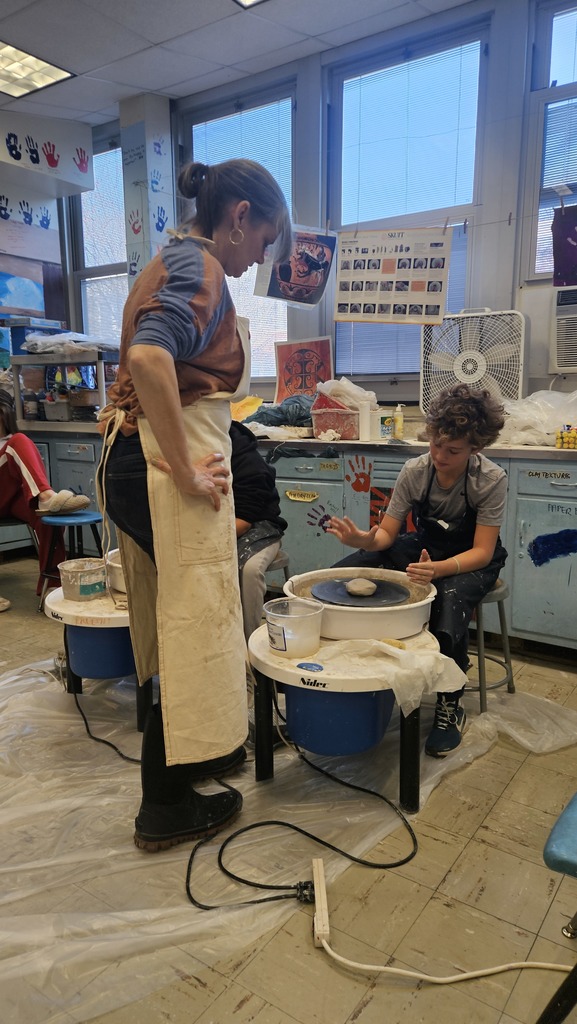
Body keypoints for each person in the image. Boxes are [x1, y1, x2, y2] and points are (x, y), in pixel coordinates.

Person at [97, 158, 292, 852]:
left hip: (132, 460)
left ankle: (187, 767)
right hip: (156, 468)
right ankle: (164, 805)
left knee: (167, 625)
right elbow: (151, 362)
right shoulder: (202, 268)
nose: (259, 258)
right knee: (185, 630)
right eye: (264, 240)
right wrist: (182, 469)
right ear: (239, 216)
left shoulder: (169, 259)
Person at [327, 384, 508, 758]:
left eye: (453, 450)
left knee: (449, 602)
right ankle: (358, 678)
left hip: (469, 558)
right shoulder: (415, 471)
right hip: (425, 546)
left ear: (476, 449)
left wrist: (439, 571)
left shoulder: (489, 481)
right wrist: (362, 541)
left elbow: (483, 550)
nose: (440, 455)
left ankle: (449, 703)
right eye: (435, 444)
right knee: (345, 575)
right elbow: (387, 537)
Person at [0, 389, 90, 609]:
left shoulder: (10, 440)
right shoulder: (13, 445)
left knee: (47, 517)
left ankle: (52, 584)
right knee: (18, 442)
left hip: (10, 497)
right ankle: (46, 495)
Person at [230, 419, 287, 641]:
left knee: (249, 568)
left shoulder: (246, 460)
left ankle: (249, 644)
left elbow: (243, 521)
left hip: (262, 526)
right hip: (215, 525)